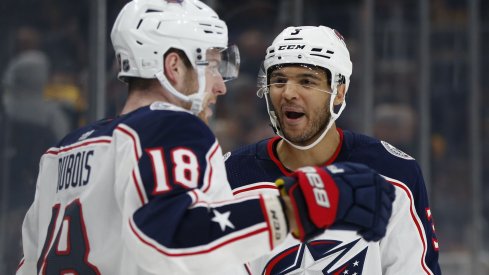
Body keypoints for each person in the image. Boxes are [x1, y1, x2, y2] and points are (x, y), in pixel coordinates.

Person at [16, 2, 394, 274]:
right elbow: (168, 240)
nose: (219, 85)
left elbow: (28, 265)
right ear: (173, 67)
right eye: (212, 64)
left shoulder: (64, 150)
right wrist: (297, 207)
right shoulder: (170, 127)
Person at [225, 25, 441, 274]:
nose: (288, 93)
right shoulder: (231, 176)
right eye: (279, 80)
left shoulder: (394, 172)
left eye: (307, 81)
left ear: (339, 92)